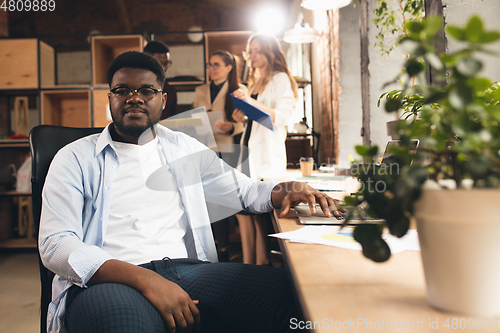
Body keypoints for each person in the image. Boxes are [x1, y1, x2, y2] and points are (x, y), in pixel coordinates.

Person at [39, 51, 340, 333]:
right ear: (110, 98)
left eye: (146, 91)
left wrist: (286, 190)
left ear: (163, 99)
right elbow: (55, 244)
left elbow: (245, 191)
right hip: (108, 281)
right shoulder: (74, 157)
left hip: (188, 272)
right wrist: (146, 280)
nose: (134, 98)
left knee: (298, 298)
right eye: (122, 90)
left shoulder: (183, 147)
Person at [232, 34, 299, 266]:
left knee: (265, 215)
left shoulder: (280, 79)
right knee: (254, 214)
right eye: (250, 51)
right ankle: (257, 264)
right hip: (249, 154)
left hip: (268, 157)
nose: (253, 55)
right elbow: (257, 118)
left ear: (271, 52)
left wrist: (249, 101)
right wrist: (242, 114)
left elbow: (280, 117)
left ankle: (263, 265)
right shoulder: (255, 81)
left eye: (259, 50)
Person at [192, 50, 244, 261]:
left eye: (216, 65)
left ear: (229, 68)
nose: (212, 69)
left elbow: (245, 123)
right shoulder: (201, 89)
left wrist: (231, 126)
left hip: (229, 147)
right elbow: (195, 116)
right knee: (208, 197)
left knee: (226, 197)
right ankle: (217, 245)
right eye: (210, 65)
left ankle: (227, 245)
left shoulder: (237, 90)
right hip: (206, 148)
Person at [144, 40, 178, 119]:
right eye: (159, 63)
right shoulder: (135, 88)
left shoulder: (170, 90)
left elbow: (174, 118)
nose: (164, 68)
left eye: (166, 63)